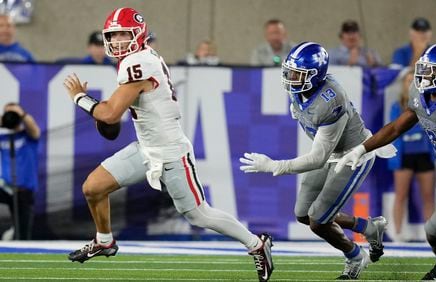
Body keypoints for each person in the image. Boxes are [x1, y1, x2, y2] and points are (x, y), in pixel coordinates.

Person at [62, 7, 273, 282]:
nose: (116, 42)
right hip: (146, 147)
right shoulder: (134, 60)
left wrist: (80, 97)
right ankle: (105, 241)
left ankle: (257, 244)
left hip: (171, 151)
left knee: (199, 215)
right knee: (93, 187)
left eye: (122, 35)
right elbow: (114, 114)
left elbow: (110, 114)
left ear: (137, 34)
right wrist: (102, 112)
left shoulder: (138, 62)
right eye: (112, 36)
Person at [336, 43, 436, 280]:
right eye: (423, 68)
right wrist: (361, 148)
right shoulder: (419, 94)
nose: (424, 75)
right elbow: (395, 128)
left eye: (432, 70)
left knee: (434, 230)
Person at [239, 42, 392, 279]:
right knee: (303, 214)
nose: (291, 78)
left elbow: (317, 158)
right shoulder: (299, 91)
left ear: (316, 75)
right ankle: (368, 227)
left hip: (353, 156)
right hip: (332, 152)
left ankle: (355, 255)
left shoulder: (330, 100)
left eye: (298, 74)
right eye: (290, 72)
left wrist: (275, 166)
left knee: (319, 220)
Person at [388, 69, 435, 242]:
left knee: (428, 196)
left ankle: (431, 234)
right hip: (404, 157)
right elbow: (393, 132)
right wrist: (394, 159)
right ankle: (398, 234)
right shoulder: (397, 106)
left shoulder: (428, 103)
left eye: (414, 81)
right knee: (401, 196)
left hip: (424, 155)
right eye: (408, 81)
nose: (411, 84)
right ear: (403, 85)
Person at [0, 103, 40, 240]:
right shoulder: (3, 137)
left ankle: (16, 235)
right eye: (7, 113)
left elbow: (35, 130)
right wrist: (3, 120)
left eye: (13, 114)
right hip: (5, 187)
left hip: (24, 190)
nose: (11, 116)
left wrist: (21, 114)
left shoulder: (28, 136)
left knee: (22, 234)